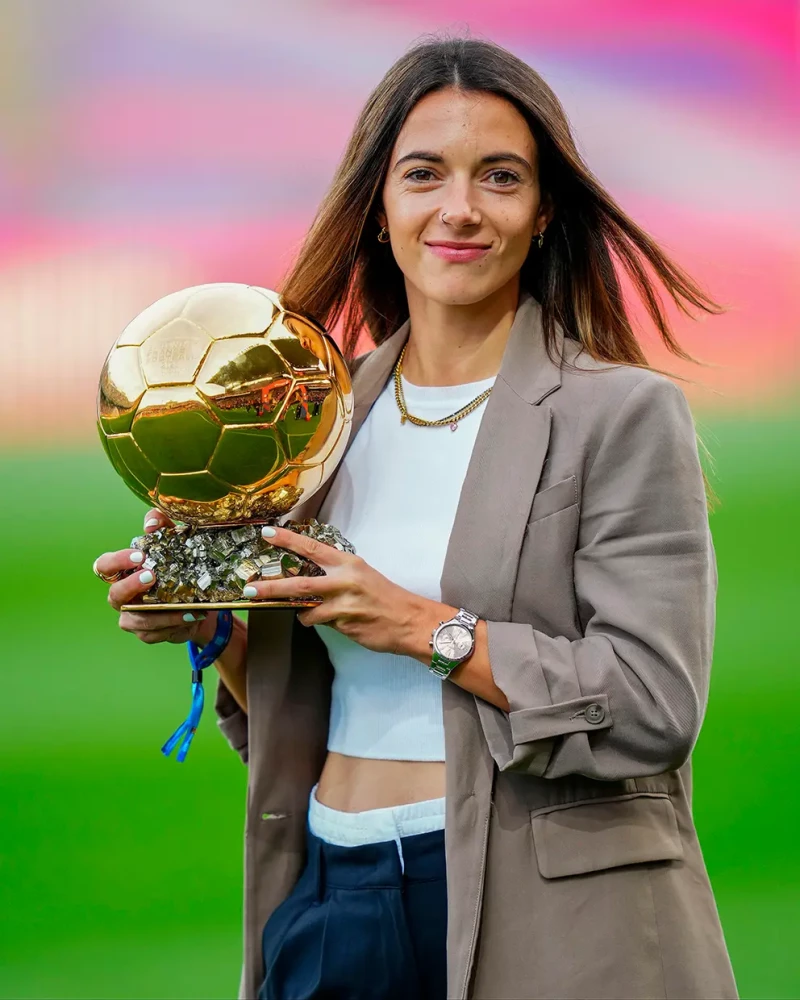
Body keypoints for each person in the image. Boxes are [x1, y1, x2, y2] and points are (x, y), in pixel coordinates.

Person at [94, 36, 738, 1000]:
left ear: (544, 208)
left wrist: (422, 627)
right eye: (424, 174)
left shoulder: (623, 413)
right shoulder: (311, 419)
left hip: (536, 904)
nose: (461, 208)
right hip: (330, 887)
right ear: (380, 207)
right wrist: (208, 625)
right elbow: (297, 703)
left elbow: (653, 704)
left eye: (501, 177)